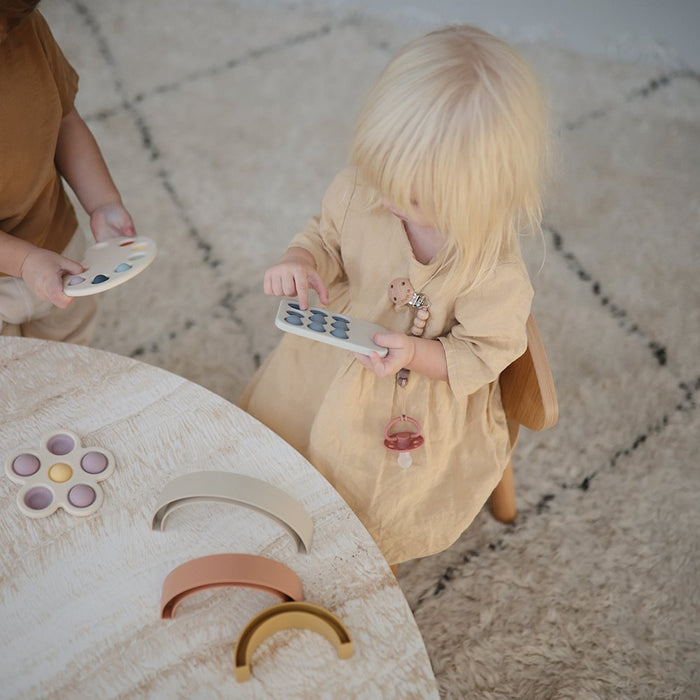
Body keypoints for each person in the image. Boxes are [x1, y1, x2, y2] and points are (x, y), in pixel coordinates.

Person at [240, 25, 549, 567]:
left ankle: (343, 543)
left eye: (407, 195)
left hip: (414, 391)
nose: (384, 197)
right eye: (381, 170)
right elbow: (326, 236)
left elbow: (483, 352)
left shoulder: (491, 271)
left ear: (478, 196)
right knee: (284, 434)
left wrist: (416, 353)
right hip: (331, 358)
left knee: (367, 494)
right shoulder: (367, 190)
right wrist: (301, 260)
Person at [0, 1, 135, 343]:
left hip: (60, 241)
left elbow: (64, 119)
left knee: (74, 347)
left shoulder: (25, 29)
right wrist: (25, 260)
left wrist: (103, 202)